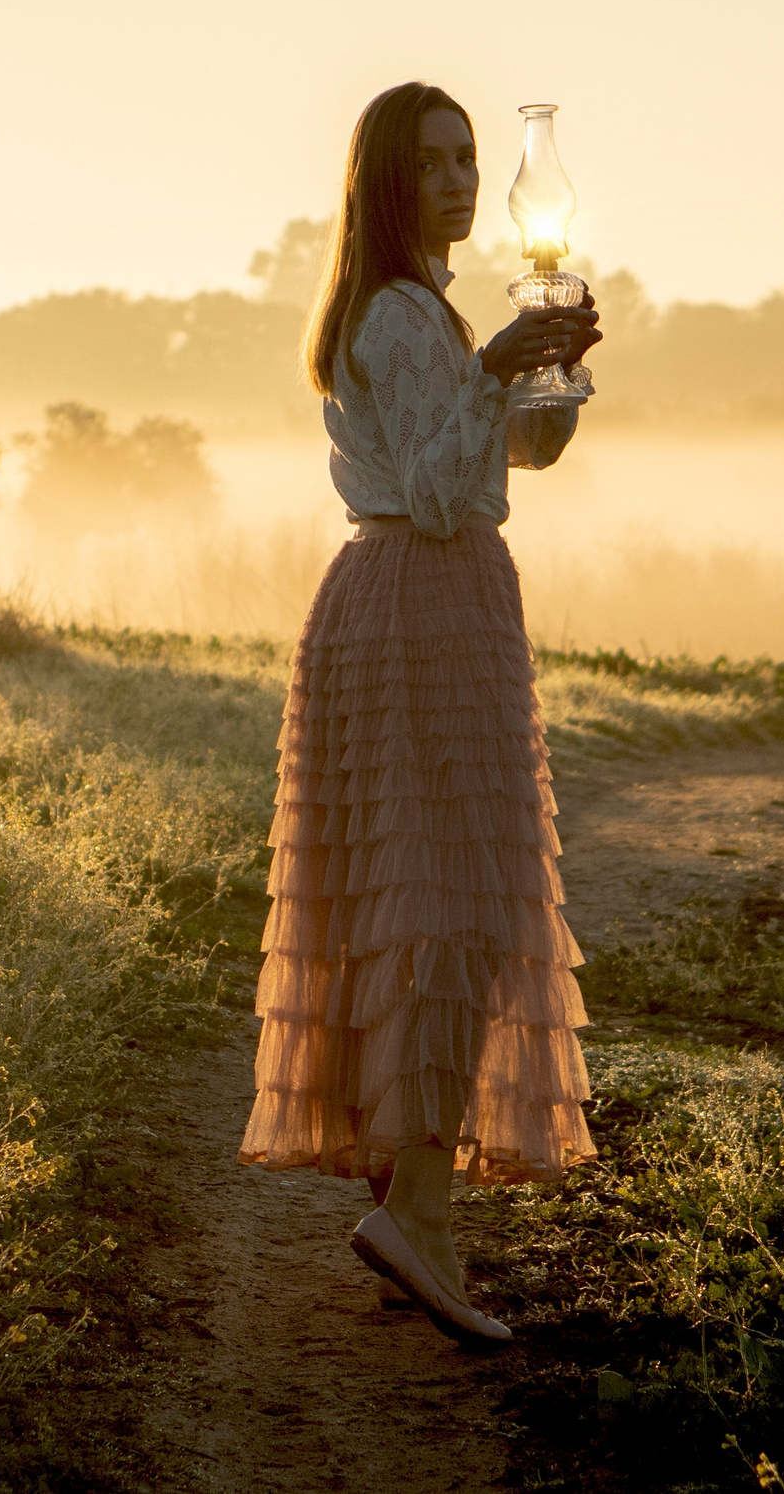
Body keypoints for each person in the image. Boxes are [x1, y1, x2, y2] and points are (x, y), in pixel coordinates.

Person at [236, 81, 602, 1346]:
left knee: (447, 899)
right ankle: (423, 1219)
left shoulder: (431, 316)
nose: (458, 181)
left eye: (469, 160)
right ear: (387, 182)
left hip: (440, 601)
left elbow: (517, 463)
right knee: (457, 906)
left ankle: (414, 1185)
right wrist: (496, 364)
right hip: (417, 598)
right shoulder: (396, 316)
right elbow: (447, 490)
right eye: (433, 162)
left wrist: (545, 367)